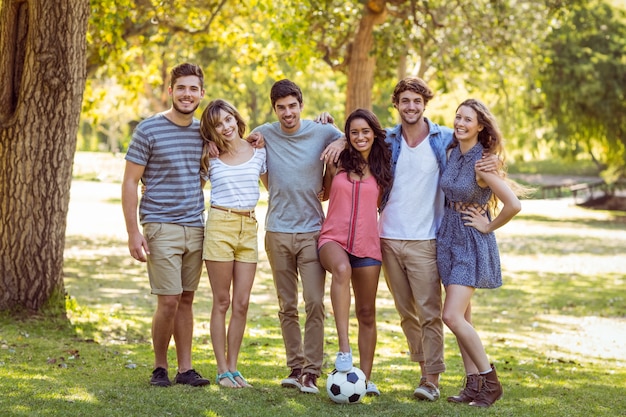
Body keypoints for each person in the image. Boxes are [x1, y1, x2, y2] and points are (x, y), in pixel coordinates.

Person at [378, 77, 499, 401]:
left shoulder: (444, 137)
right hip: (387, 237)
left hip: (428, 238)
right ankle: (438, 374)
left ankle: (431, 379)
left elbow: (481, 148)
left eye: (417, 101)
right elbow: (354, 140)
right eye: (405, 101)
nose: (411, 106)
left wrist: (495, 159)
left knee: (433, 313)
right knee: (407, 314)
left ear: (425, 103)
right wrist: (332, 137)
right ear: (397, 104)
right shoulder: (387, 140)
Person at [251, 79, 345, 394]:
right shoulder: (264, 133)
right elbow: (243, 153)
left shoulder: (322, 132)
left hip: (312, 232)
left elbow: (362, 136)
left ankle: (311, 372)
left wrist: (340, 142)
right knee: (286, 304)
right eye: (281, 108)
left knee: (315, 302)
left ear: (301, 105)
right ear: (274, 108)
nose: (287, 112)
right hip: (277, 230)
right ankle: (295, 366)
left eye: (292, 106)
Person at [121, 62, 210, 387]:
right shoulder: (149, 129)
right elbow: (131, 182)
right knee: (169, 299)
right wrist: (133, 231)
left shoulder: (204, 132)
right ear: (170, 91)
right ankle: (160, 366)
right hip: (160, 225)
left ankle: (185, 369)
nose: (187, 94)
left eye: (193, 89)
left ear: (201, 93)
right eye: (181, 88)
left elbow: (204, 174)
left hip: (196, 227)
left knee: (187, 298)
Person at [438, 98, 521, 407]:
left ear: (480, 126)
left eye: (467, 119)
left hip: (471, 242)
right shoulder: (452, 152)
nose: (460, 123)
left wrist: (488, 226)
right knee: (464, 316)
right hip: (448, 236)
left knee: (451, 315)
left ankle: (489, 381)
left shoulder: (482, 163)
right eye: (457, 117)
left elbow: (514, 204)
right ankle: (472, 385)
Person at [318, 109, 392, 397]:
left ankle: (365, 378)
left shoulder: (383, 165)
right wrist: (333, 132)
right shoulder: (337, 162)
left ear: (374, 133)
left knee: (366, 313)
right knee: (341, 270)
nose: (360, 137)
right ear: (347, 136)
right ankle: (344, 350)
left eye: (365, 131)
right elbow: (323, 193)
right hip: (332, 238)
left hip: (367, 245)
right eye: (354, 132)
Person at [199, 99, 268, 388]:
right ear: (211, 131)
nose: (225, 127)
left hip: (249, 228)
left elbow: (275, 185)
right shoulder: (210, 156)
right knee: (222, 301)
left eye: (228, 120)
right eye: (218, 124)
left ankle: (235, 368)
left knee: (241, 303)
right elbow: (191, 187)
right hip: (219, 226)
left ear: (236, 119)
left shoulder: (259, 151)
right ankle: (222, 370)